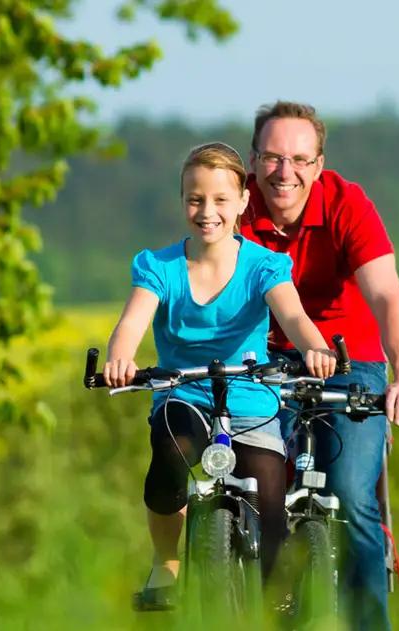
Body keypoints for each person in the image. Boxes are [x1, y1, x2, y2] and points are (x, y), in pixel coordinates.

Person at [103, 141, 340, 612]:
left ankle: (276, 591)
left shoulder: (263, 266)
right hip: (183, 392)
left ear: (242, 203)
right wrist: (120, 359)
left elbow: (292, 316)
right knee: (169, 453)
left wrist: (315, 348)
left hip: (250, 397)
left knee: (269, 485)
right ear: (182, 200)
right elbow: (131, 323)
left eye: (219, 200)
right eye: (195, 199)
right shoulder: (159, 266)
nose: (206, 211)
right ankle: (166, 562)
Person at [239, 100, 399, 630]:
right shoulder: (233, 205)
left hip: (350, 359)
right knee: (250, 487)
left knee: (348, 495)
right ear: (253, 161)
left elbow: (388, 298)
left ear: (319, 164)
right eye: (273, 158)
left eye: (300, 159)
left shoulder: (347, 205)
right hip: (262, 360)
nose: (286, 172)